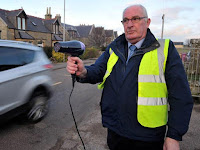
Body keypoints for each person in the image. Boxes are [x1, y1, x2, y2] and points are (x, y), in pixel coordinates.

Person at [67, 4, 193, 150]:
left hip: (147, 136)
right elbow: (98, 69)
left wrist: (173, 136)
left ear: (148, 22)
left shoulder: (165, 49)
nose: (129, 24)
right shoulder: (114, 47)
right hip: (115, 131)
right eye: (125, 20)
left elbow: (181, 95)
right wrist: (83, 71)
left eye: (136, 19)